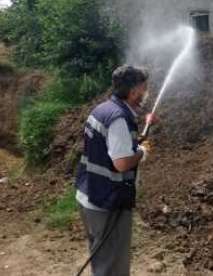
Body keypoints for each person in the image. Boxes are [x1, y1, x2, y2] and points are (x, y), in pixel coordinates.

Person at [75, 66, 154, 276]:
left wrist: (133, 144)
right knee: (114, 266)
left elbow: (105, 148)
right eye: (145, 89)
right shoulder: (118, 119)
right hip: (107, 203)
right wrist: (142, 152)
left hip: (89, 195)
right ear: (135, 91)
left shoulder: (101, 110)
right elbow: (121, 164)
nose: (147, 94)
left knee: (102, 260)